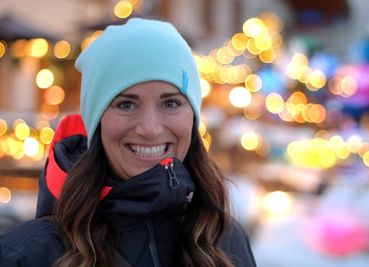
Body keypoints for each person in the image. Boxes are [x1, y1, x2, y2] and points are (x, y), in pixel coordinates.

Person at [0, 18, 256, 267]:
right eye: (126, 104)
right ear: (97, 122)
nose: (149, 129)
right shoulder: (26, 255)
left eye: (171, 103)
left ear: (192, 117)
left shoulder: (226, 242)